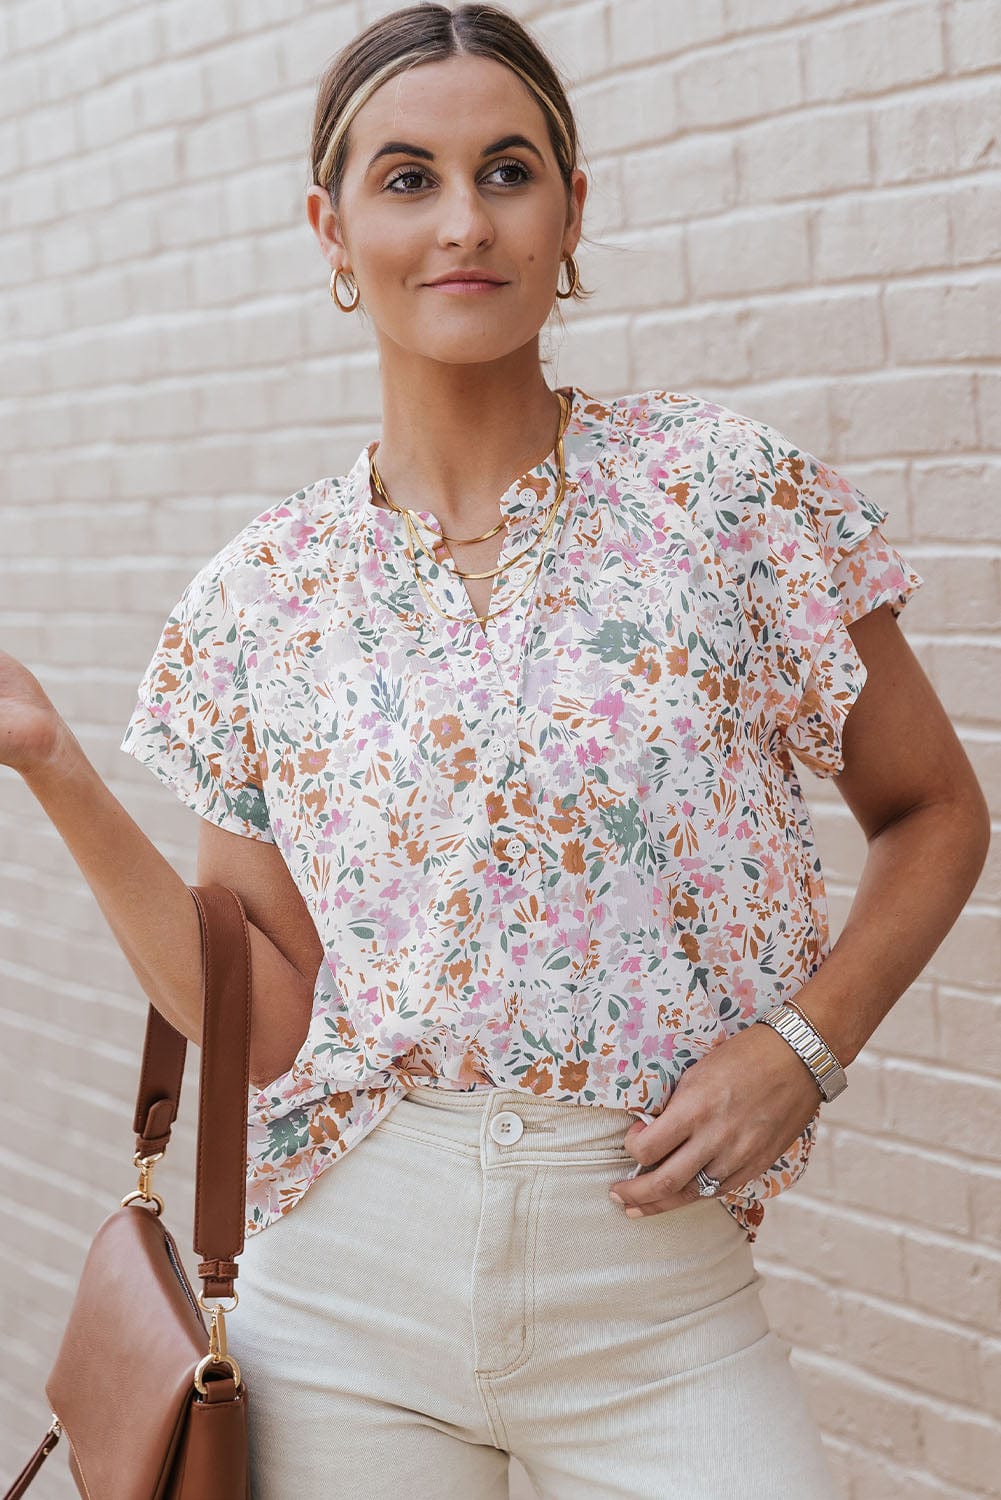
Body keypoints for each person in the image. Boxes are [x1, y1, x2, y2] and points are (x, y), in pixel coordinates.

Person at [3, 4, 990, 1498]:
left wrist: (804, 1045)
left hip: (656, 1305)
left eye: (507, 170)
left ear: (570, 210)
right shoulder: (262, 594)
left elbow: (930, 811)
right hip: (343, 1304)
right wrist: (51, 767)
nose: (462, 220)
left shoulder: (723, 500)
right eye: (407, 180)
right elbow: (261, 1020)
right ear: (330, 230)